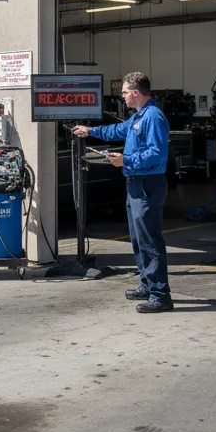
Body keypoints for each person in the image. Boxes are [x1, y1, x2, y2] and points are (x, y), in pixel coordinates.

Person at [72, 72, 173, 313]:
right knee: (138, 240)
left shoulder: (153, 117)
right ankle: (147, 284)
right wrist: (90, 131)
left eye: (125, 92)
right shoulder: (139, 117)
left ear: (136, 92)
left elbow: (157, 154)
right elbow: (118, 131)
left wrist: (125, 160)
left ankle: (161, 295)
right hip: (136, 185)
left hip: (147, 185)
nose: (123, 96)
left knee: (149, 241)